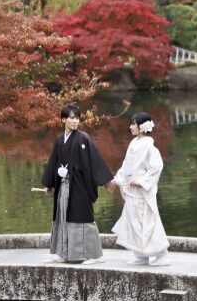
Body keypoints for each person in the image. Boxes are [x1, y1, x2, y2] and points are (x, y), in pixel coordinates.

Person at [42, 105, 113, 264]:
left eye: (77, 118)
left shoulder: (83, 138)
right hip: (64, 186)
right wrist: (49, 183)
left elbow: (94, 161)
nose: (75, 121)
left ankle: (93, 256)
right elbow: (53, 162)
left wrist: (106, 181)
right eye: (71, 118)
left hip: (80, 185)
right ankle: (63, 253)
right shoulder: (60, 140)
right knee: (63, 217)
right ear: (63, 119)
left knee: (82, 218)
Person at [107, 112, 171, 266]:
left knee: (148, 223)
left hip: (142, 192)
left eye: (133, 124)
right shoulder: (133, 143)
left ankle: (162, 254)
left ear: (141, 127)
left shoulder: (150, 147)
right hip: (131, 191)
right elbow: (126, 165)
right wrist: (116, 180)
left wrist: (141, 181)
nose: (130, 127)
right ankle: (140, 254)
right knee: (133, 222)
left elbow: (156, 167)